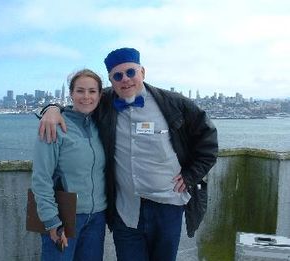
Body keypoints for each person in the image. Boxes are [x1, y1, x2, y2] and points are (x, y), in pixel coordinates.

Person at [39, 48, 218, 261]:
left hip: (168, 205)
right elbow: (80, 102)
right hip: (126, 209)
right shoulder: (104, 102)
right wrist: (51, 108)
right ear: (111, 80)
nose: (125, 80)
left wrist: (190, 175)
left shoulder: (174, 103)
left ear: (142, 71)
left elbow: (208, 141)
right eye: (118, 76)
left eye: (130, 72)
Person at [32, 69, 107, 261]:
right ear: (71, 94)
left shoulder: (101, 124)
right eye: (80, 91)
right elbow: (41, 178)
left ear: (100, 94)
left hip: (97, 217)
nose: (86, 97)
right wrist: (51, 221)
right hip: (64, 216)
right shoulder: (54, 126)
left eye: (92, 91)